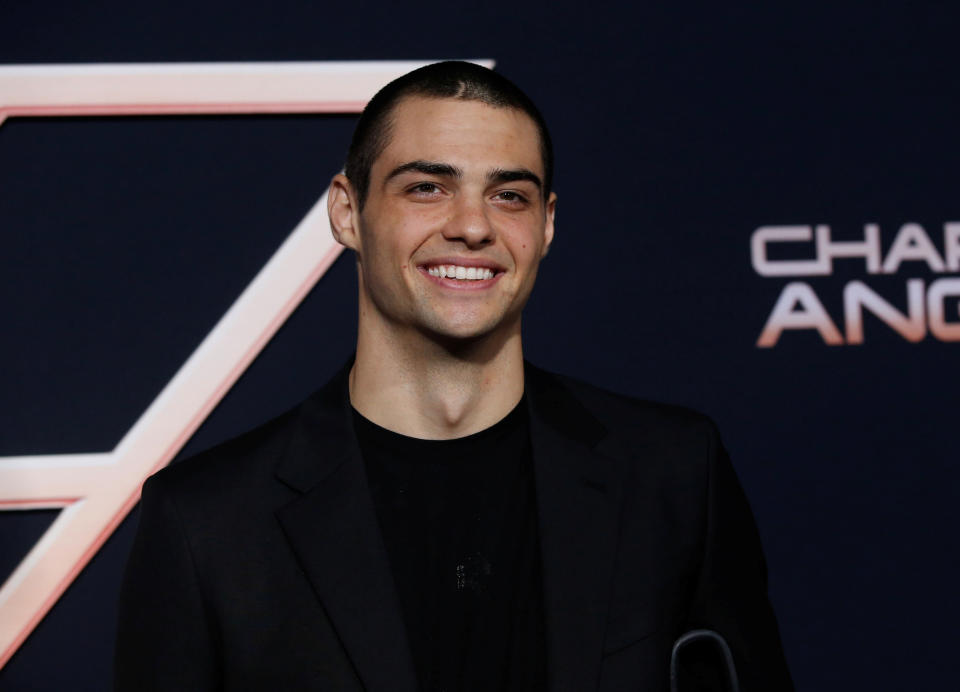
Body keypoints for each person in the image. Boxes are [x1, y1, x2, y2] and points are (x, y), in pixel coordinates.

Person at [115, 61, 793, 692]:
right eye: (427, 187)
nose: (473, 226)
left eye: (508, 195)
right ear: (348, 212)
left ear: (547, 225)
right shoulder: (206, 525)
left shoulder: (672, 475)